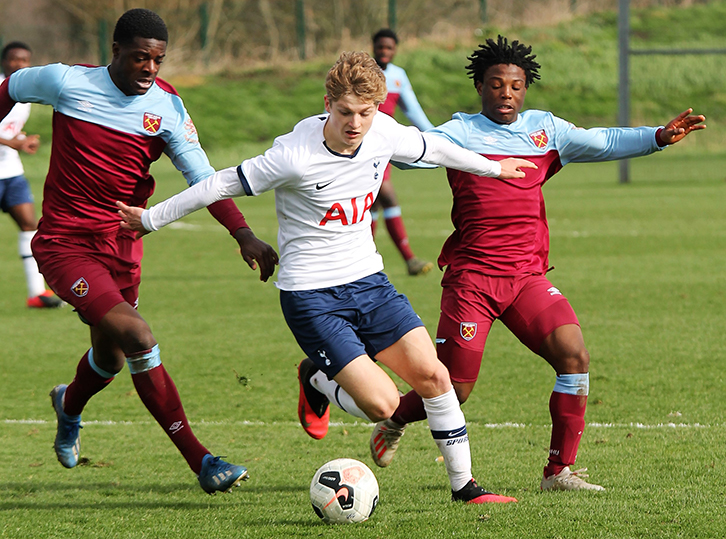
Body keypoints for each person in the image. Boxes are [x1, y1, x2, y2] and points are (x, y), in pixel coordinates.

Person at [117, 51, 536, 504]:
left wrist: (495, 167)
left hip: (371, 283)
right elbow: (218, 184)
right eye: (345, 112)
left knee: (436, 379)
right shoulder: (293, 155)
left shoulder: (383, 133)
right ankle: (317, 378)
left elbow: (433, 148)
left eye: (366, 113)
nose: (356, 124)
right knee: (385, 405)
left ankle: (466, 488)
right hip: (312, 296)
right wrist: (151, 219)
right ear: (327, 104)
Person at [366, 35, 706, 492]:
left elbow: (600, 140)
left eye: (516, 85)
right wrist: (359, 129)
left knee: (574, 357)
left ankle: (558, 472)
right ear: (480, 87)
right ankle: (394, 420)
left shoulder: (545, 131)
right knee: (455, 390)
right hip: (473, 281)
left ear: (525, 89)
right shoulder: (457, 133)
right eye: (496, 84)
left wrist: (658, 138)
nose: (506, 93)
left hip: (526, 277)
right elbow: (411, 152)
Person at [0, 8, 279, 494]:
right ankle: (203, 461)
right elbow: (7, 91)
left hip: (123, 247)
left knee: (107, 358)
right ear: (115, 52)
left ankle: (68, 406)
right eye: (139, 58)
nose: (149, 69)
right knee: (138, 336)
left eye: (158, 60)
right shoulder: (66, 82)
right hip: (65, 245)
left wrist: (243, 233)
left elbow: (204, 179)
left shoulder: (168, 108)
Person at [0, 41, 63, 309]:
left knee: (30, 225)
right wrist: (11, 142)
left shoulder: (22, 93)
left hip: (11, 173)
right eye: (15, 59)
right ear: (4, 61)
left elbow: (9, 130)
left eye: (25, 60)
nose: (20, 65)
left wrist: (22, 141)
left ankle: (36, 293)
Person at [371, 28, 435, 276]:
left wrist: (434, 136)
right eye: (380, 47)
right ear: (373, 47)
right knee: (386, 198)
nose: (384, 52)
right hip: (364, 145)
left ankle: (368, 259)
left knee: (374, 204)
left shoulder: (398, 76)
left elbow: (413, 110)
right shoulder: (362, 72)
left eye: (389, 48)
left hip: (385, 147)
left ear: (395, 49)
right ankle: (409, 259)